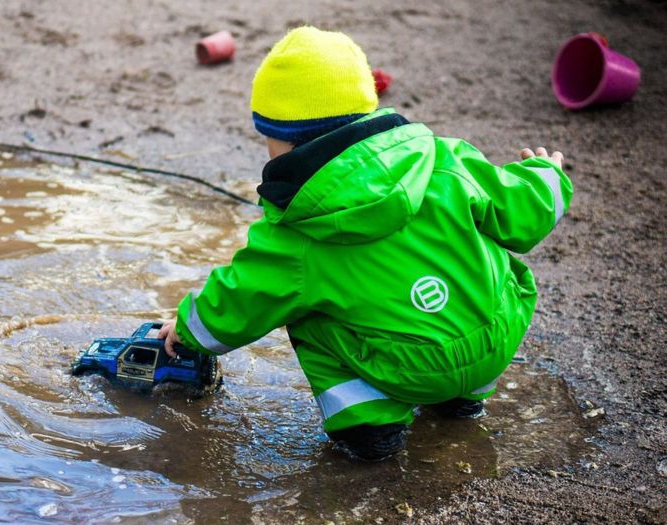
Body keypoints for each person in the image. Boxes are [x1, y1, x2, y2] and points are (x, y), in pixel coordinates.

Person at [157, 26, 572, 461]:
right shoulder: (445, 158)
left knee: (302, 310)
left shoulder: (295, 230)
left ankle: (370, 427)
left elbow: (242, 298)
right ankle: (462, 400)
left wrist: (187, 332)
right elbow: (523, 211)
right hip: (495, 339)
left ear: (279, 138)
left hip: (407, 368)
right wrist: (547, 175)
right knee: (481, 258)